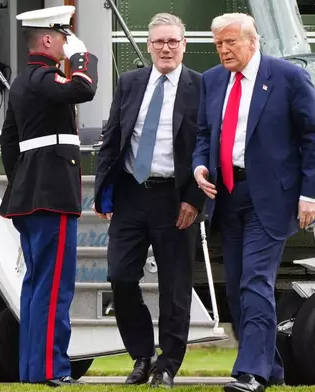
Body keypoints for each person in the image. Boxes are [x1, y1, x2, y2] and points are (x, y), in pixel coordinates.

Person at [192, 12, 315, 392]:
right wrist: (200, 166)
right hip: (226, 197)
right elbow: (205, 134)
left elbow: (314, 139)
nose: (223, 50)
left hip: (271, 198)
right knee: (236, 287)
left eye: (231, 42)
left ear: (253, 42)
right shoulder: (212, 80)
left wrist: (308, 195)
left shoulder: (287, 77)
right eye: (218, 44)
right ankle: (274, 369)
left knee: (255, 280)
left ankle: (250, 373)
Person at [93, 12, 205, 389]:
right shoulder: (130, 83)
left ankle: (168, 365)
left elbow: (208, 147)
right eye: (159, 42)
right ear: (148, 46)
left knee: (175, 288)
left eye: (173, 41)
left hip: (176, 200)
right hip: (130, 196)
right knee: (120, 277)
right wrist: (102, 191)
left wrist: (194, 199)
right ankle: (142, 355)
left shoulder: (200, 87)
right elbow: (112, 138)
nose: (166, 48)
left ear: (184, 44)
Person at [0, 5, 98, 387]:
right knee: (55, 286)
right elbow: (85, 88)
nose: (67, 43)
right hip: (50, 196)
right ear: (46, 39)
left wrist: (24, 180)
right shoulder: (42, 78)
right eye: (62, 36)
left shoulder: (25, 82)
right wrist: (82, 58)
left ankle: (32, 369)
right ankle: (50, 369)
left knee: (38, 286)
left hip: (33, 194)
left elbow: (9, 143)